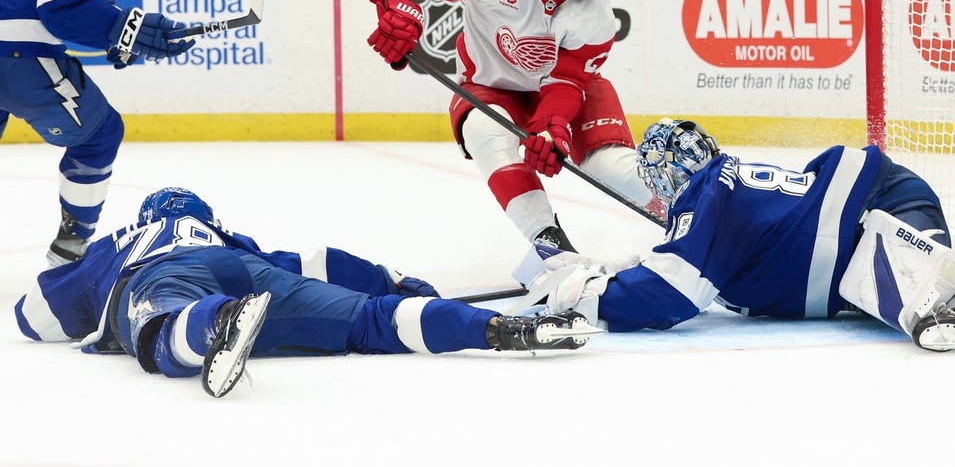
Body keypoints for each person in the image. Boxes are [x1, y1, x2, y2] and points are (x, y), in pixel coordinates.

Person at [14, 187, 596, 399]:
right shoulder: (226, 236)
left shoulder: (124, 240)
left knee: (162, 336)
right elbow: (319, 261)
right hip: (242, 269)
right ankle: (494, 331)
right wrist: (395, 282)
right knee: (372, 321)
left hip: (163, 277)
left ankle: (217, 322)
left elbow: (31, 316)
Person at [524, 118, 955, 351]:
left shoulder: (707, 198)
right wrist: (612, 270)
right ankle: (954, 292)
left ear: (666, 175)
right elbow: (676, 267)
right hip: (886, 193)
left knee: (904, 284)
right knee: (875, 282)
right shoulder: (722, 191)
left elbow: (665, 297)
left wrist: (587, 298)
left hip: (881, 204)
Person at [367, 0, 655, 251]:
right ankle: (550, 244)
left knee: (610, 168)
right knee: (483, 133)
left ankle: (689, 217)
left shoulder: (597, 18)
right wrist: (394, 4)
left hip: (564, 91)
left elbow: (567, 82)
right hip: (491, 86)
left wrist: (553, 125)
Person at [0, 0, 195, 266]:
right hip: (19, 55)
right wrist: (122, 28)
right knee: (100, 134)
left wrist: (115, 35)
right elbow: (59, 6)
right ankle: (68, 260)